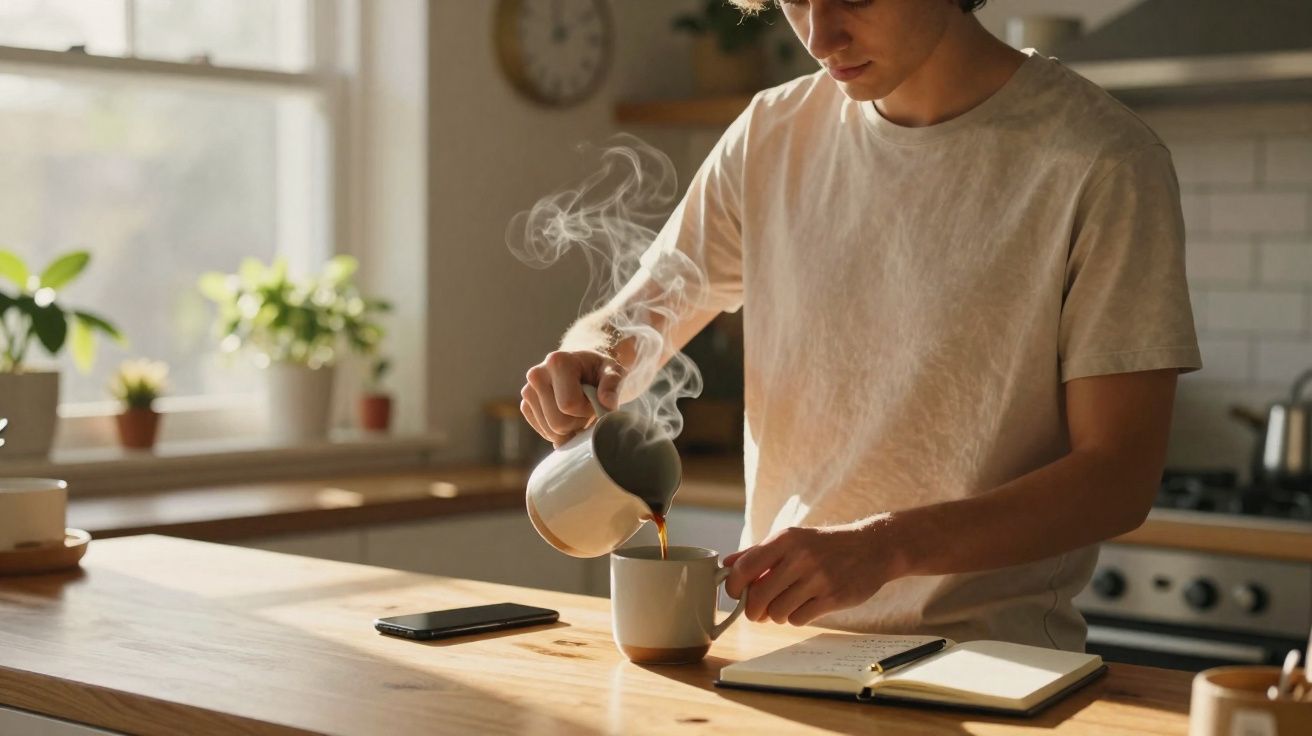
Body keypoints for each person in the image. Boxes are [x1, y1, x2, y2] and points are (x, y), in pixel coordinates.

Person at [518, 0, 1200, 650]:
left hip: (986, 667)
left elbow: (1119, 477)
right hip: (776, 658)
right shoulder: (769, 135)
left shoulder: (1103, 161)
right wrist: (590, 359)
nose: (820, 37)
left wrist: (885, 547)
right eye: (795, 0)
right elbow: (637, 315)